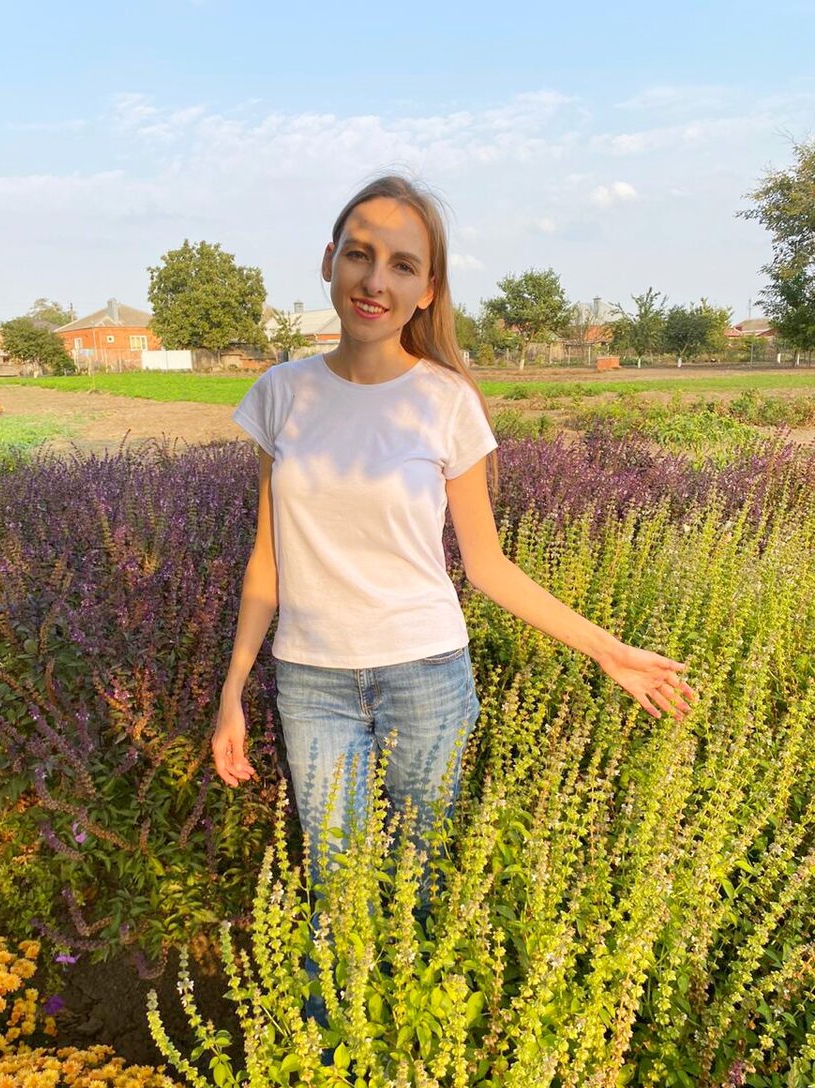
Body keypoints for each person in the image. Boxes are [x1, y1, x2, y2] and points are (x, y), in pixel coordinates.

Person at [212, 173, 697, 881]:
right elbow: (268, 561)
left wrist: (607, 650)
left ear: (427, 290)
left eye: (402, 265)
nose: (375, 281)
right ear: (328, 261)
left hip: (426, 675)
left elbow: (487, 565)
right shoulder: (280, 394)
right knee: (335, 881)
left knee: (423, 877)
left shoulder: (446, 401)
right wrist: (232, 690)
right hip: (312, 681)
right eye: (359, 254)